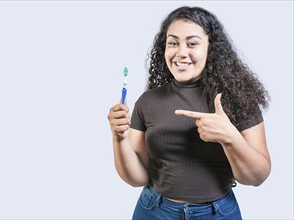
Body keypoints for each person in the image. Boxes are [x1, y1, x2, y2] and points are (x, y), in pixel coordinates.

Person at [107, 6, 271, 220]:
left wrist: (230, 138)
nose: (181, 52)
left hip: (217, 214)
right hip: (154, 211)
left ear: (211, 49)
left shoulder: (238, 99)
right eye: (173, 43)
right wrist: (119, 138)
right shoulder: (148, 101)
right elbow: (137, 178)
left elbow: (257, 177)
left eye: (192, 43)